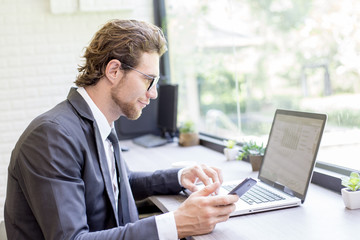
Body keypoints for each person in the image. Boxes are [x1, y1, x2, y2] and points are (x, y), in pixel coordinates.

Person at [4, 19, 239, 240]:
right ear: (114, 70)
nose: (153, 93)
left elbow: (120, 181)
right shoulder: (51, 136)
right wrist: (176, 224)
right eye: (149, 80)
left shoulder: (99, 122)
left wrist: (179, 177)